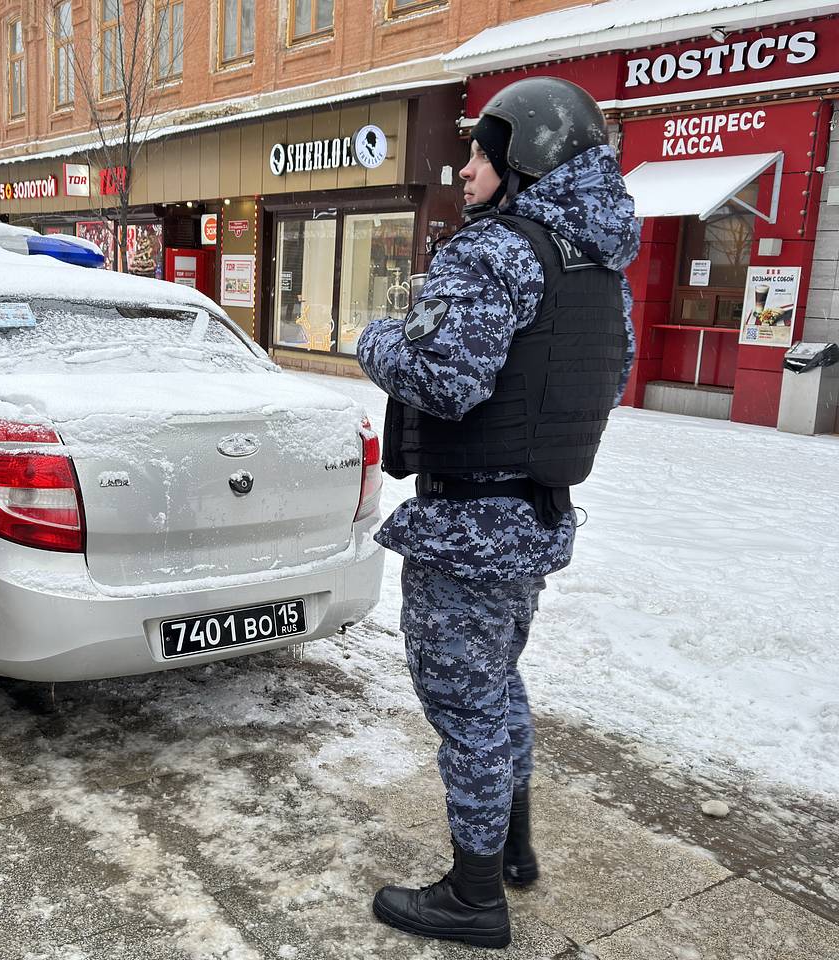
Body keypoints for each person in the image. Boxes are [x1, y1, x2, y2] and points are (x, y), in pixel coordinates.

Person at [357, 77, 639, 950]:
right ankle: (510, 847)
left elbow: (444, 380)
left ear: (526, 159)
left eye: (484, 151)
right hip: (532, 520)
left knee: (467, 711)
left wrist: (376, 339)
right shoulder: (595, 263)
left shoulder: (494, 251)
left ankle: (474, 898)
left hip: (469, 530)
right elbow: (610, 376)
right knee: (499, 686)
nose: (468, 166)